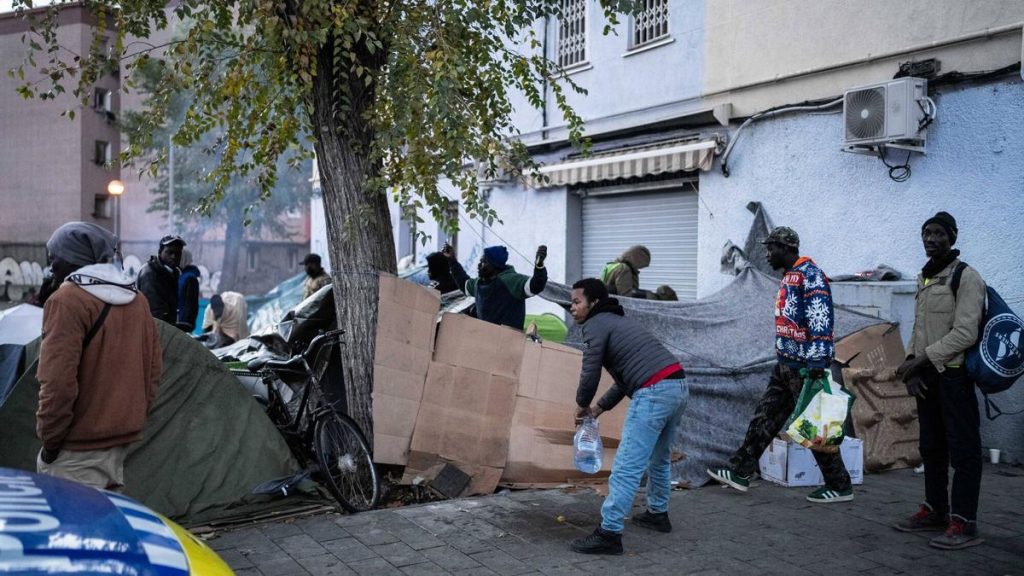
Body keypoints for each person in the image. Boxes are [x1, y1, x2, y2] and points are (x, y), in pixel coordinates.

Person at [706, 226, 853, 503]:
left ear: (786, 248)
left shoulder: (811, 276)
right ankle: (740, 470)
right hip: (785, 364)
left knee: (815, 426)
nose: (767, 254)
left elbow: (821, 320)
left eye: (771, 248)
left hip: (805, 367)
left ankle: (840, 485)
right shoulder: (790, 277)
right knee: (765, 417)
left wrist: (817, 362)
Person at [35, 222, 162, 491]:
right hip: (119, 442)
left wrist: (50, 442)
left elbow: (57, 382)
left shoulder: (66, 300)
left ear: (73, 259)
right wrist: (131, 419)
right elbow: (152, 371)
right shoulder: (137, 299)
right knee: (103, 529)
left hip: (74, 449)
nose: (51, 267)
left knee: (72, 530)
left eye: (54, 258)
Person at [568, 278, 688, 555]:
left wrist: (581, 404)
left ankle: (609, 533)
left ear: (594, 302)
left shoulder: (596, 325)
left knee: (626, 466)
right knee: (659, 459)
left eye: (577, 302)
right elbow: (627, 378)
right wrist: (598, 408)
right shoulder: (618, 322)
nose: (572, 307)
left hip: (655, 391)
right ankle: (658, 513)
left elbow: (590, 372)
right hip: (678, 385)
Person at [894, 211, 986, 550]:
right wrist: (911, 367)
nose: (931, 239)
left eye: (938, 234)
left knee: (964, 451)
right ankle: (935, 509)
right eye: (926, 233)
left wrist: (920, 361)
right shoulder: (926, 277)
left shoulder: (966, 277)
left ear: (953, 238)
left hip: (954, 376)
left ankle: (963, 521)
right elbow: (919, 328)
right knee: (931, 447)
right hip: (928, 376)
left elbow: (965, 333)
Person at [445, 243, 547, 330]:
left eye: (484, 262)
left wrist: (539, 266)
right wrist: (452, 260)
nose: (479, 265)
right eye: (480, 261)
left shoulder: (511, 281)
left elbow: (535, 285)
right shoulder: (479, 283)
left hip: (510, 343)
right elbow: (464, 284)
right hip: (485, 342)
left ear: (495, 266)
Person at [137, 235, 185, 327]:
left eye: (178, 253)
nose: (174, 256)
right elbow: (155, 313)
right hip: (153, 330)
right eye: (169, 252)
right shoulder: (150, 274)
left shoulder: (172, 272)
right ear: (160, 252)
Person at [177, 249, 201, 332]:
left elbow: (191, 303)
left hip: (182, 323)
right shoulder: (180, 275)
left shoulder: (189, 278)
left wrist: (186, 323)